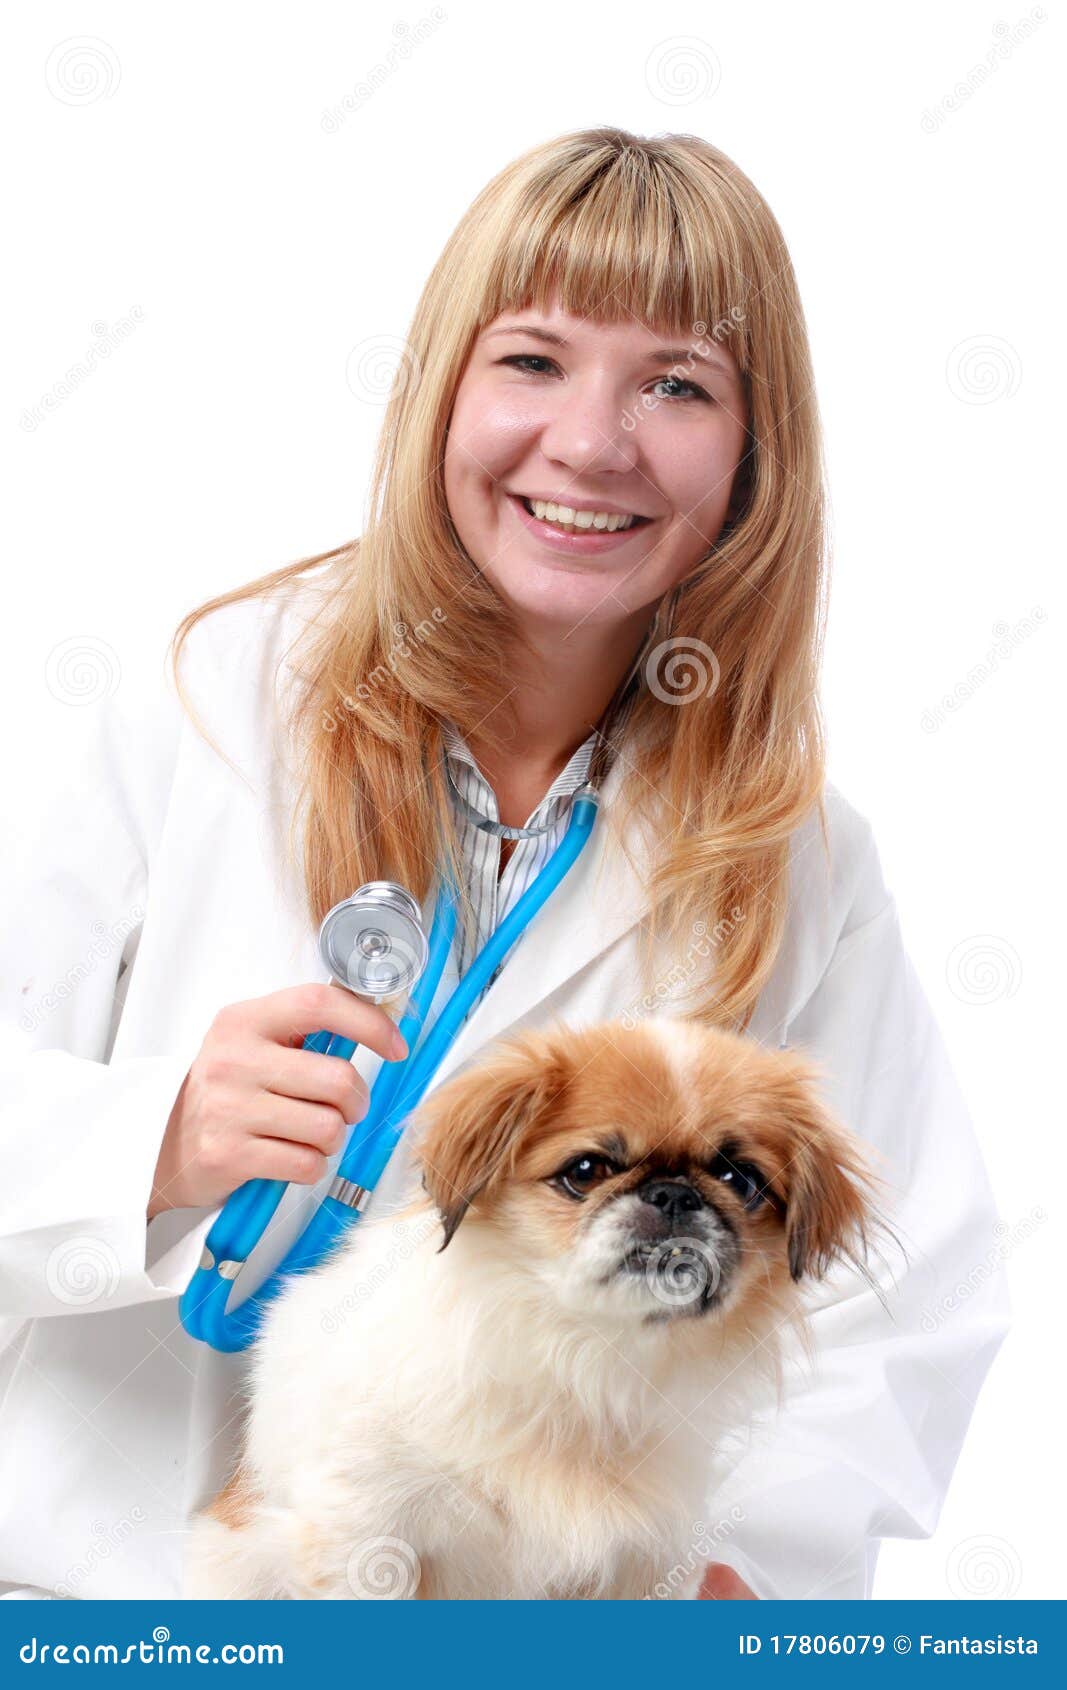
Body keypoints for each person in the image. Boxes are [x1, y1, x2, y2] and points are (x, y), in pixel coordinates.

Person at [0, 126, 1008, 1601]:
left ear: (752, 454)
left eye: (678, 384)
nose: (593, 444)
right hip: (106, 1596)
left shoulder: (796, 854)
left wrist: (730, 1569)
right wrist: (145, 1141)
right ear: (438, 396)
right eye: (532, 360)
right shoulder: (205, 703)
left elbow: (903, 1290)